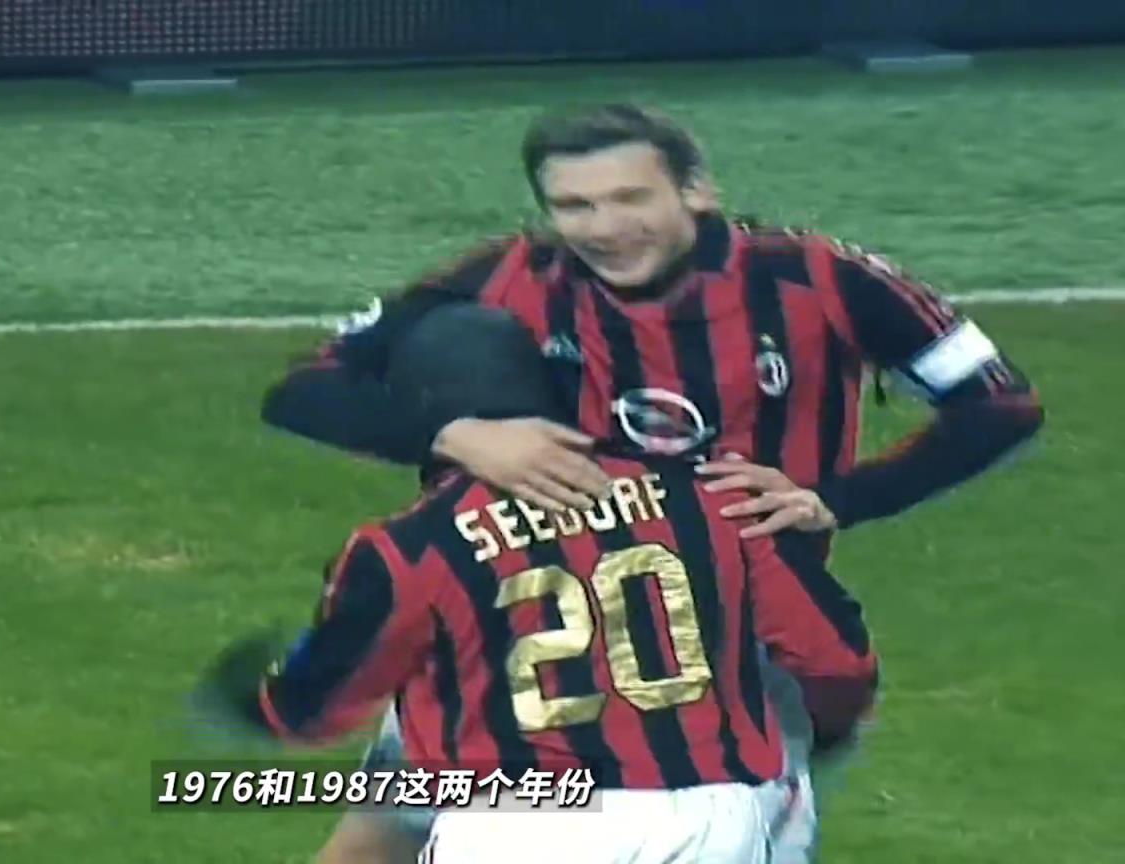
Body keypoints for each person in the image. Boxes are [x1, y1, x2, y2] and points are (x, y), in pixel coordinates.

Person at [260, 102, 1043, 863]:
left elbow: (998, 404)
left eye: (630, 197)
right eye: (575, 206)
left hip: (737, 639)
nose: (605, 226)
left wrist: (836, 501)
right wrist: (455, 435)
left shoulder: (821, 279)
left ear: (696, 190)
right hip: (511, 621)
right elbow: (304, 390)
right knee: (378, 841)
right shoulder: (507, 276)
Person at [202, 305, 879, 863]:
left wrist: (258, 701)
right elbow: (836, 661)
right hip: (710, 817)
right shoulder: (708, 500)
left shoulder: (409, 548)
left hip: (519, 829)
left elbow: (318, 703)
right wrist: (823, 729)